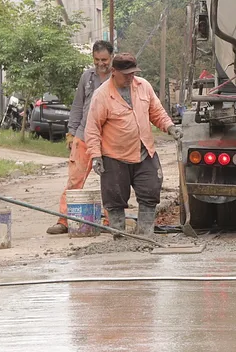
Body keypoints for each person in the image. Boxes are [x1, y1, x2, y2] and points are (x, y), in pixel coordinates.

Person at [84, 53, 182, 238]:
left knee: (150, 192)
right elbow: (92, 129)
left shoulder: (143, 86)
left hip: (144, 153)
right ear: (114, 71)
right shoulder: (102, 95)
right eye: (126, 74)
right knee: (114, 199)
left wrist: (170, 127)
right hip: (114, 157)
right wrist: (96, 156)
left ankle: (145, 236)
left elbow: (156, 112)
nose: (130, 77)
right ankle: (119, 237)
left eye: (133, 73)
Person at [47, 40, 113, 235]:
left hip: (109, 138)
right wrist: (71, 132)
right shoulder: (87, 77)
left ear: (112, 58)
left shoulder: (117, 77)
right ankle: (65, 221)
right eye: (97, 59)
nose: (101, 63)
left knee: (112, 181)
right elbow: (77, 106)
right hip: (84, 135)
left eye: (105, 60)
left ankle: (112, 220)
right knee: (75, 181)